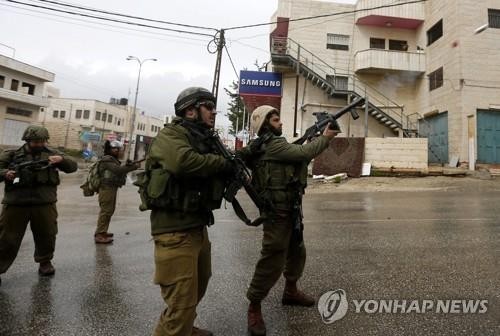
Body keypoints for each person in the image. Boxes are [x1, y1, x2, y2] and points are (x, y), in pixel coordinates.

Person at [242, 105, 338, 336]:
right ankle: (254, 305)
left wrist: (312, 137)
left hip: (290, 208)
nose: (281, 123)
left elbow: (294, 153)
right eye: (276, 120)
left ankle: (291, 291)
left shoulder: (275, 144)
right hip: (277, 212)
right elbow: (303, 154)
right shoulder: (272, 145)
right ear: (265, 125)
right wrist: (325, 138)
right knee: (273, 257)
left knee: (297, 251)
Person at [147, 87, 232, 336]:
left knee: (198, 287)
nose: (214, 112)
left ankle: (186, 327)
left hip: (196, 227)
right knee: (181, 302)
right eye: (209, 106)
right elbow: (181, 162)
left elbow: (220, 164)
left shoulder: (204, 139)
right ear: (191, 110)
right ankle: (178, 327)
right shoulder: (171, 135)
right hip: (174, 232)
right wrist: (222, 164)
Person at [0, 125, 77, 285]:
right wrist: (5, 174)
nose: (39, 144)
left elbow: (72, 166)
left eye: (42, 141)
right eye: (35, 142)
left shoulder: (52, 154)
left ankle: (45, 261)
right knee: (7, 238)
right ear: (27, 140)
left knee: (47, 234)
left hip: (44, 203)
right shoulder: (12, 154)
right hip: (16, 203)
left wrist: (61, 160)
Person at [94, 140, 139, 244]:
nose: (117, 151)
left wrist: (128, 164)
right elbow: (118, 170)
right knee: (106, 211)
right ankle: (100, 234)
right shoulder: (106, 159)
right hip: (106, 188)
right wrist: (133, 167)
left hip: (111, 188)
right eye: (115, 149)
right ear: (109, 150)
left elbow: (119, 168)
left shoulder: (113, 159)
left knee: (109, 210)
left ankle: (103, 231)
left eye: (118, 149)